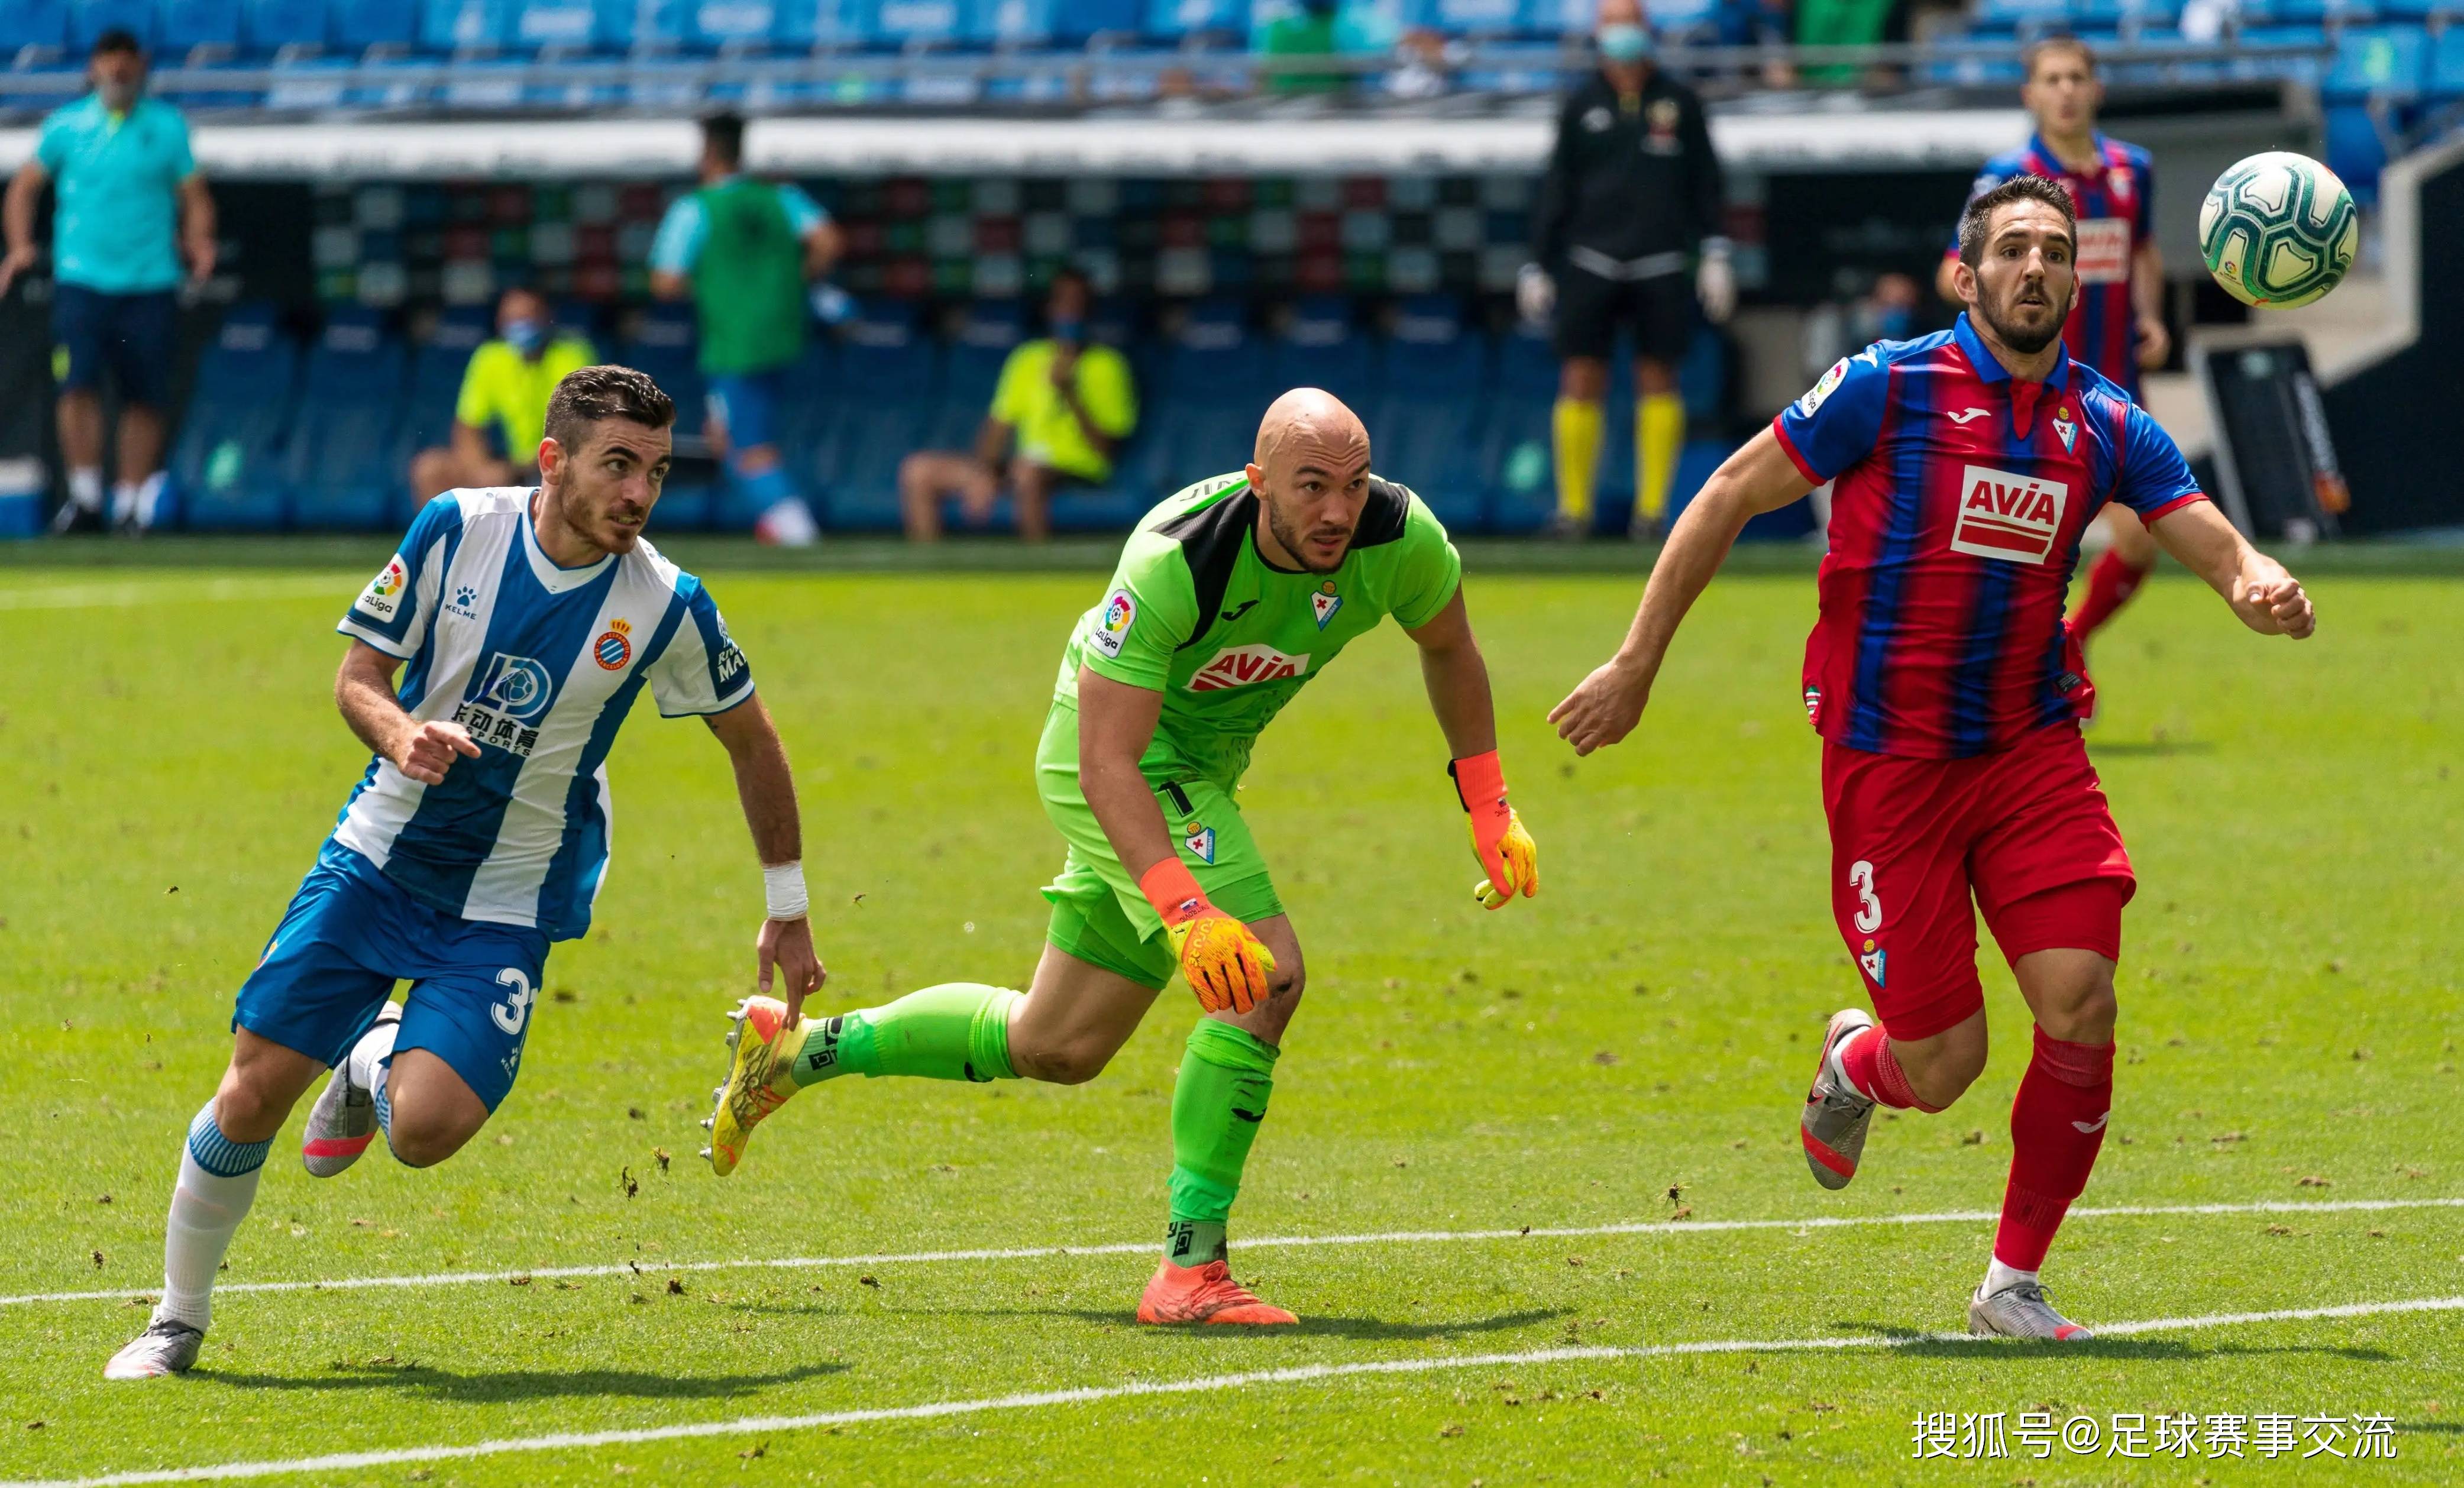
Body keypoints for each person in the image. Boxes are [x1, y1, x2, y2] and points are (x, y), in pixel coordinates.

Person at [1549, 177, 2313, 1339]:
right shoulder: (1886, 387)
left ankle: (2012, 1282)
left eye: (2054, 251)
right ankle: (1858, 1061)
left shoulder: (2103, 419)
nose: (2035, 268)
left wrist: (2250, 578)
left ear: (2072, 277)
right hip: (1888, 767)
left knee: (2081, 998)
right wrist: (1635, 661)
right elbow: (1727, 491)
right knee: (1946, 1060)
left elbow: (2198, 525)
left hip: (2027, 751)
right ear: (1966, 276)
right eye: (2011, 249)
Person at [704, 389, 1539, 1327]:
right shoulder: (1178, 556)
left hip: (1199, 771)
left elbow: (1451, 648)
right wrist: (1186, 910)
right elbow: (1107, 760)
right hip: (1114, 762)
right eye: (1311, 487)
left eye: (1352, 484)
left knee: (1055, 1047)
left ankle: (795, 1050)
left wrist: (1488, 805)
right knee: (1264, 980)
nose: (1338, 511)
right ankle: (1190, 1272)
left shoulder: (1400, 537)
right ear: (1260, 482)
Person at [103, 366, 824, 1380]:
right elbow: (360, 677)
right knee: (253, 1095)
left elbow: (753, 741)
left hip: (505, 901)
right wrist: (401, 736)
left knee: (428, 1132)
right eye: (617, 465)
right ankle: (176, 1321)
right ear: (554, 459)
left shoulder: (665, 604)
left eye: (655, 472)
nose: (637, 493)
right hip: (374, 864)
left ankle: (370, 1061)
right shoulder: (455, 529)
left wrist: (786, 908)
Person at [1936, 38, 2170, 691]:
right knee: (2007, 552)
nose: (2065, 90)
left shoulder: (2133, 169)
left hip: (2113, 392)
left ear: (2095, 89)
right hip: (2026, 394)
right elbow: (1950, 270)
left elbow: (2141, 250)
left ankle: (2069, 644)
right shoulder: (2005, 178)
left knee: (2137, 542)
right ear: (2029, 94)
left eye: (2075, 78)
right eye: (2051, 79)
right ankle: (1996, 679)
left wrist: (2149, 315)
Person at [1519, 0, 1732, 542]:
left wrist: (1715, 251)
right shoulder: (1580, 102)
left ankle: (1653, 513)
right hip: (1590, 259)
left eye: (1629, 26)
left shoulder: (1680, 102)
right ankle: (1573, 512)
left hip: (1660, 260)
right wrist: (1538, 263)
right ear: (1597, 34)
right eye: (1611, 27)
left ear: (1648, 31)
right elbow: (1557, 187)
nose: (1621, 38)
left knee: (1658, 377)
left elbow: (1706, 183)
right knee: (1580, 376)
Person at [0, 27, 214, 535]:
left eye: (127, 60)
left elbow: (195, 196)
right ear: (93, 68)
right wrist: (20, 246)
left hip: (149, 282)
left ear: (141, 66)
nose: (118, 70)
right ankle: (85, 497)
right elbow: (24, 188)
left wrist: (199, 241)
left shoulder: (166, 127)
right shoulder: (67, 126)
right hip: (82, 280)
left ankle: (131, 504)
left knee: (146, 395)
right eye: (109, 60)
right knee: (77, 386)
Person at [649, 112, 842, 546]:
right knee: (731, 435)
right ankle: (778, 522)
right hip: (788, 334)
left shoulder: (697, 207)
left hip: (735, 343)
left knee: (744, 445)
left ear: (708, 153)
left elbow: (665, 281)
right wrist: (793, 282)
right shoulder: (781, 197)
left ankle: (797, 534)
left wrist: (719, 284)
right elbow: (829, 241)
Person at [898, 269, 1137, 544]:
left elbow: (1105, 449)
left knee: (1028, 473)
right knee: (917, 471)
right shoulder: (1027, 358)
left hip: (1075, 471)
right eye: (1063, 302)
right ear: (1050, 309)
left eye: (1078, 303)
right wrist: (983, 473)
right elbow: (998, 427)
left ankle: (1036, 573)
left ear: (1090, 311)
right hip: (1020, 466)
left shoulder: (1109, 365)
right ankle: (930, 574)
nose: (1070, 312)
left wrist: (1070, 393)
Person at [407, 286, 596, 501]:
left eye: (528, 317)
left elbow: (575, 432)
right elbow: (468, 427)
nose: (521, 326)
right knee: (430, 469)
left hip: (555, 463)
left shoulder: (573, 355)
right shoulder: (490, 357)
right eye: (512, 319)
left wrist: (517, 469)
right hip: (508, 466)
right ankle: (449, 536)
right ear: (500, 322)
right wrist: (481, 469)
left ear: (546, 318)